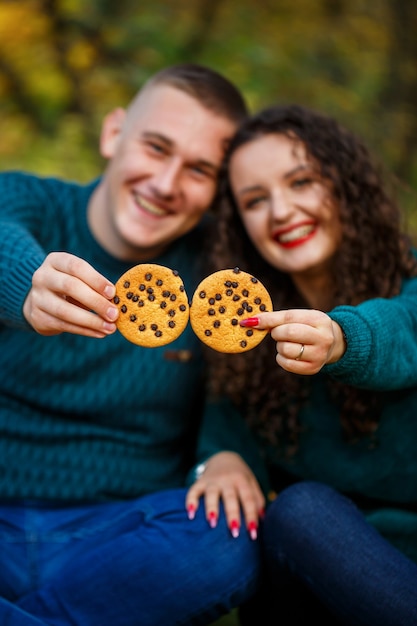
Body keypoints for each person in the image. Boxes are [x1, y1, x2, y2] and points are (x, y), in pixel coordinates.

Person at [0, 63, 269, 626]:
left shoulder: (215, 276)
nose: (167, 184)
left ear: (218, 190)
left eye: (198, 169)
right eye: (155, 147)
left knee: (228, 543)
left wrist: (220, 455)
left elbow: (234, 390)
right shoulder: (30, 203)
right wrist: (26, 282)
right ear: (113, 134)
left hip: (118, 539)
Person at [198, 103, 417, 624]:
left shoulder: (409, 283)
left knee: (300, 508)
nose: (280, 211)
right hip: (313, 577)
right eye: (255, 200)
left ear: (345, 184)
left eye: (301, 182)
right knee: (296, 512)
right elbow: (223, 429)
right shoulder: (247, 332)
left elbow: (406, 328)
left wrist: (341, 339)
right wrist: (221, 460)